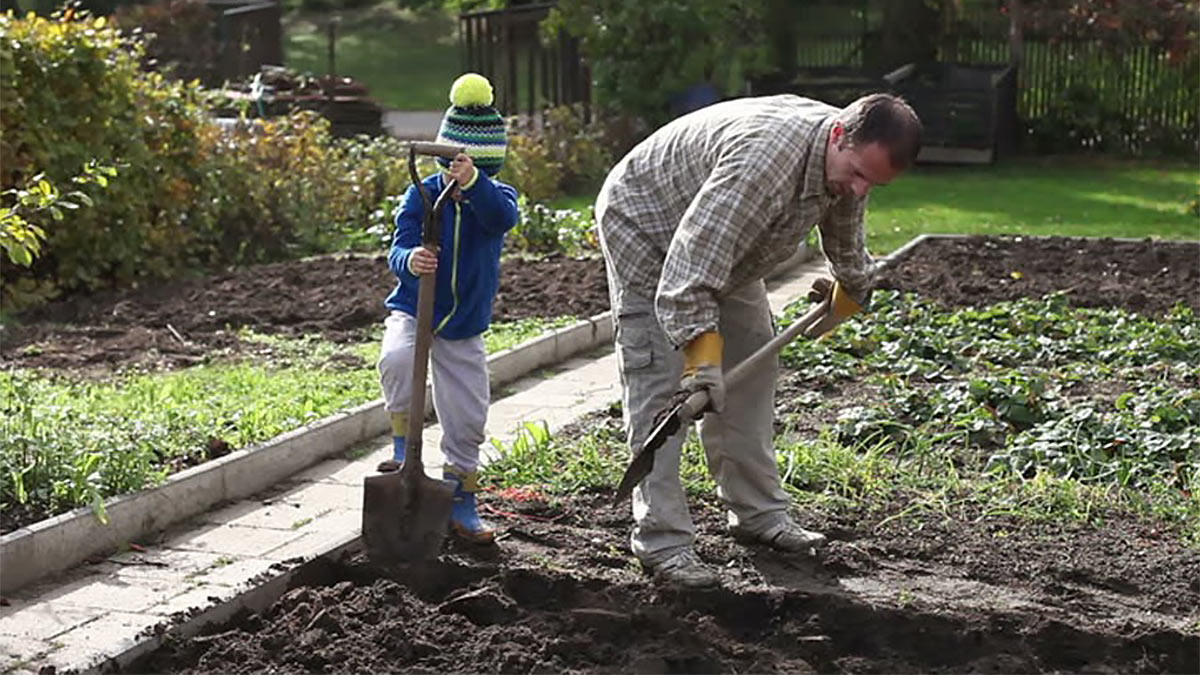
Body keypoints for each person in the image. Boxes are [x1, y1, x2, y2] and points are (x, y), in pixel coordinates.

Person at [595, 92, 922, 587]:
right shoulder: (762, 163)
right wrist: (702, 358)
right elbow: (688, 272)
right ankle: (662, 541)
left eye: (871, 183)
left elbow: (845, 230)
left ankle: (758, 514)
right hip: (649, 227)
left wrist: (851, 291)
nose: (859, 190)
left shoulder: (846, 161)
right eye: (857, 174)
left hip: (729, 244)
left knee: (753, 369)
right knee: (660, 386)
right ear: (839, 134)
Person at [376, 73, 519, 544]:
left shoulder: (495, 199)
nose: (453, 183)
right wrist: (411, 261)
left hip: (463, 324)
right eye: (449, 170)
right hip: (416, 308)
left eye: (465, 172)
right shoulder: (419, 196)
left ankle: (461, 497)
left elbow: (501, 219)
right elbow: (396, 250)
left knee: (467, 413)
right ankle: (403, 447)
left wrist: (474, 183)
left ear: (483, 169)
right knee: (396, 359)